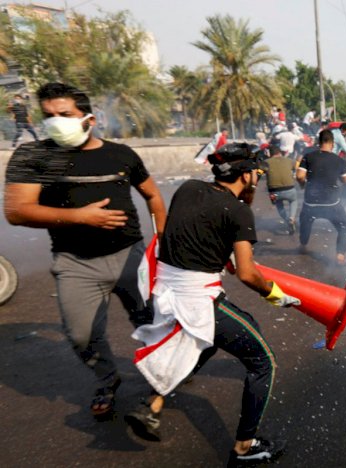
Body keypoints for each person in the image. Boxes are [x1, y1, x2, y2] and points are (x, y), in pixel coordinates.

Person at [126, 142, 298, 466]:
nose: (257, 179)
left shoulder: (188, 188)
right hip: (198, 300)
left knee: (205, 344)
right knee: (264, 363)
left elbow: (192, 231)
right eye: (256, 173)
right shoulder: (238, 212)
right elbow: (247, 273)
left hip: (166, 290)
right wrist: (276, 294)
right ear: (246, 175)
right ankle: (244, 449)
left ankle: (152, 405)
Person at [3, 82, 166, 418]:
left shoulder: (121, 154)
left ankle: (163, 377)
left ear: (89, 119)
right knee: (81, 335)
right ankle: (107, 378)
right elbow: (16, 211)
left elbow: (152, 195)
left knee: (151, 321)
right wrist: (80, 217)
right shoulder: (32, 156)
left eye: (64, 115)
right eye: (48, 116)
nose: (54, 122)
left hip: (129, 255)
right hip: (75, 262)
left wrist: (162, 237)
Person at [296, 129, 346, 265]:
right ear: (332, 143)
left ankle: (303, 245)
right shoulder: (339, 160)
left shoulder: (308, 157)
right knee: (344, 226)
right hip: (331, 204)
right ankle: (340, 255)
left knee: (305, 222)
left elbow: (299, 176)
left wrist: (303, 185)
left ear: (318, 142)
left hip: (311, 203)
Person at [261, 144, 298, 234]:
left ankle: (286, 219)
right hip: (290, 189)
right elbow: (296, 168)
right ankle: (292, 218)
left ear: (269, 153)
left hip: (274, 192)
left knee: (278, 204)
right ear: (279, 152)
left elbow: (260, 172)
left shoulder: (266, 162)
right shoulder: (290, 160)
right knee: (294, 201)